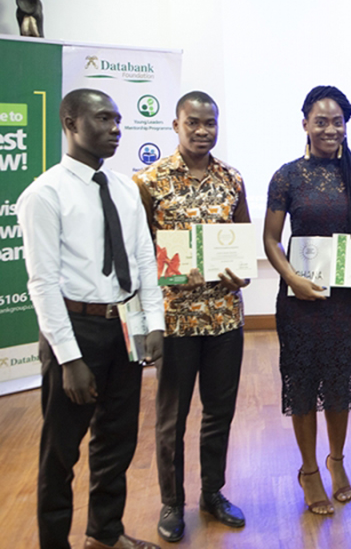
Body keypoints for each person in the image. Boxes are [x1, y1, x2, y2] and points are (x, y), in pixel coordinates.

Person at [18, 89, 164, 549]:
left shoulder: (124, 187)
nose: (115, 129)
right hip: (74, 329)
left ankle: (105, 533)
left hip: (124, 325)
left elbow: (143, 257)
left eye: (119, 120)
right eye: (103, 119)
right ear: (69, 121)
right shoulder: (44, 194)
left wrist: (154, 322)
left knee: (116, 441)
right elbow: (42, 283)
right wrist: (68, 358)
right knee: (60, 453)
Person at [134, 91, 249, 542]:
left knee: (219, 413)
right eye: (193, 123)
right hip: (175, 320)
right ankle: (171, 502)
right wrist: (175, 273)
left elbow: (242, 241)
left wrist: (240, 275)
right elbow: (141, 252)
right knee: (172, 418)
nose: (202, 131)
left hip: (224, 318)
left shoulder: (232, 179)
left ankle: (213, 494)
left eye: (210, 124)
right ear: (176, 124)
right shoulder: (150, 181)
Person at [263, 86, 351, 515]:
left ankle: (337, 461)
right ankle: (309, 470)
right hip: (299, 301)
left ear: (346, 126)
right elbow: (271, 240)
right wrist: (291, 277)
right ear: (305, 123)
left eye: (337, 121)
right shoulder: (287, 176)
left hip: (342, 302)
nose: (330, 128)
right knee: (304, 385)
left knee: (340, 385)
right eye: (321, 120)